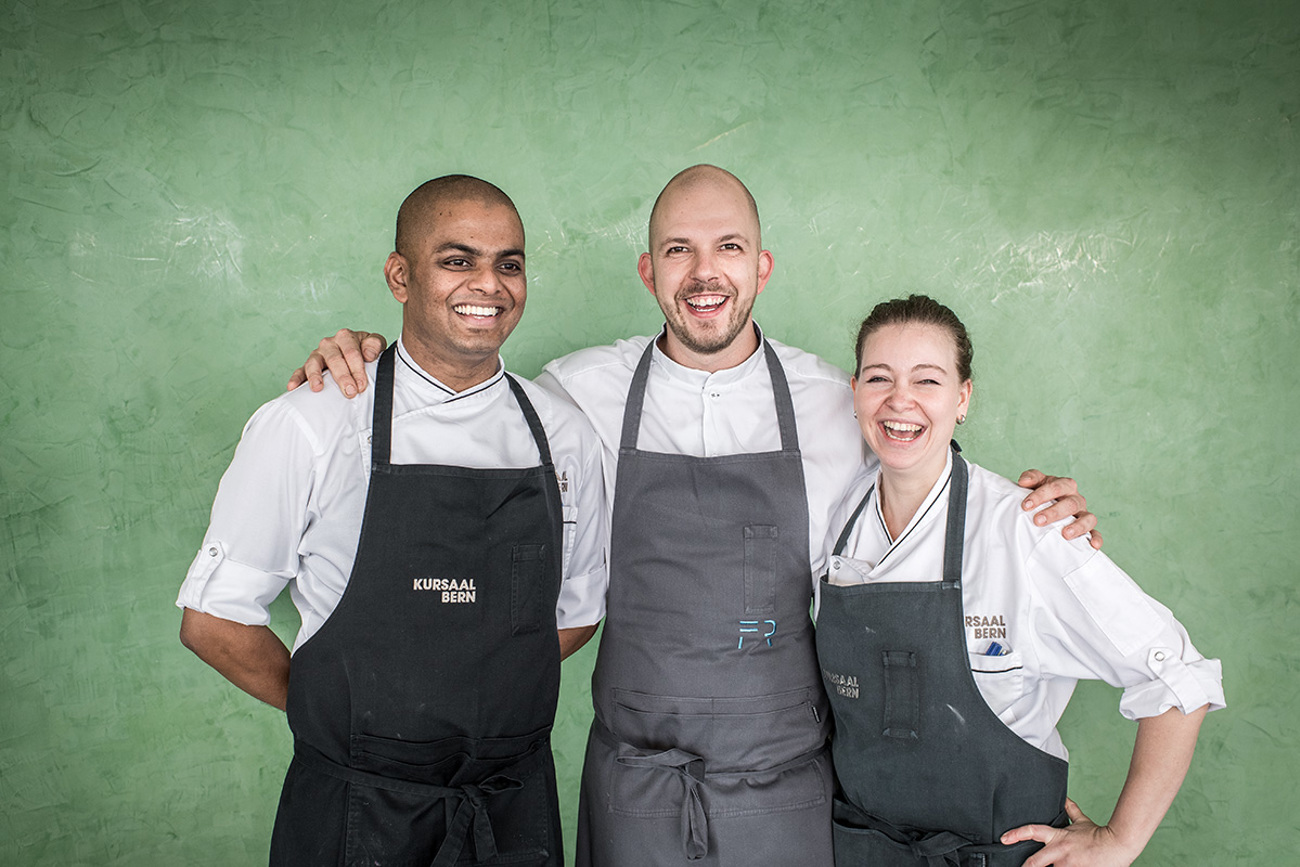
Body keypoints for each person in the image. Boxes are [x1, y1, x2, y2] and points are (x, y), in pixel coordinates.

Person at [290, 166, 1100, 866]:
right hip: (635, 785)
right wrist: (370, 352)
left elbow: (924, 459)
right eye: (680, 249)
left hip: (784, 783)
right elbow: (463, 383)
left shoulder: (833, 400)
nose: (704, 272)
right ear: (649, 270)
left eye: (729, 248)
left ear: (763, 266)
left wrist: (1036, 512)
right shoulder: (576, 394)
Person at [177, 175, 608, 866]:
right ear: (400, 275)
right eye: (457, 259)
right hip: (354, 809)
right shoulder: (311, 422)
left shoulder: (564, 434)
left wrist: (466, 692)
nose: (489, 284)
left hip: (509, 810)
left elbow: (576, 609)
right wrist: (340, 717)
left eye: (510, 263)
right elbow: (214, 620)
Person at [818, 294, 1224, 867]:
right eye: (879, 377)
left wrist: (1119, 841)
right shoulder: (836, 516)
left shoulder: (1027, 529)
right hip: (863, 851)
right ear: (855, 390)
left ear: (963, 398)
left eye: (927, 381)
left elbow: (1178, 678)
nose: (899, 400)